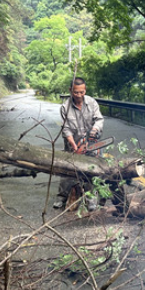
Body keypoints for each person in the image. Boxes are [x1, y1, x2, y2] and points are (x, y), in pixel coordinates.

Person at [53, 77, 104, 209]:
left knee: (91, 169)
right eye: (76, 92)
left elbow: (99, 119)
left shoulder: (92, 103)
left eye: (82, 92)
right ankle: (62, 196)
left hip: (90, 142)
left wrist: (95, 129)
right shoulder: (65, 107)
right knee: (68, 169)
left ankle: (91, 198)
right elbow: (66, 129)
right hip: (72, 142)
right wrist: (74, 147)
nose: (79, 95)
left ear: (85, 90)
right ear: (71, 90)